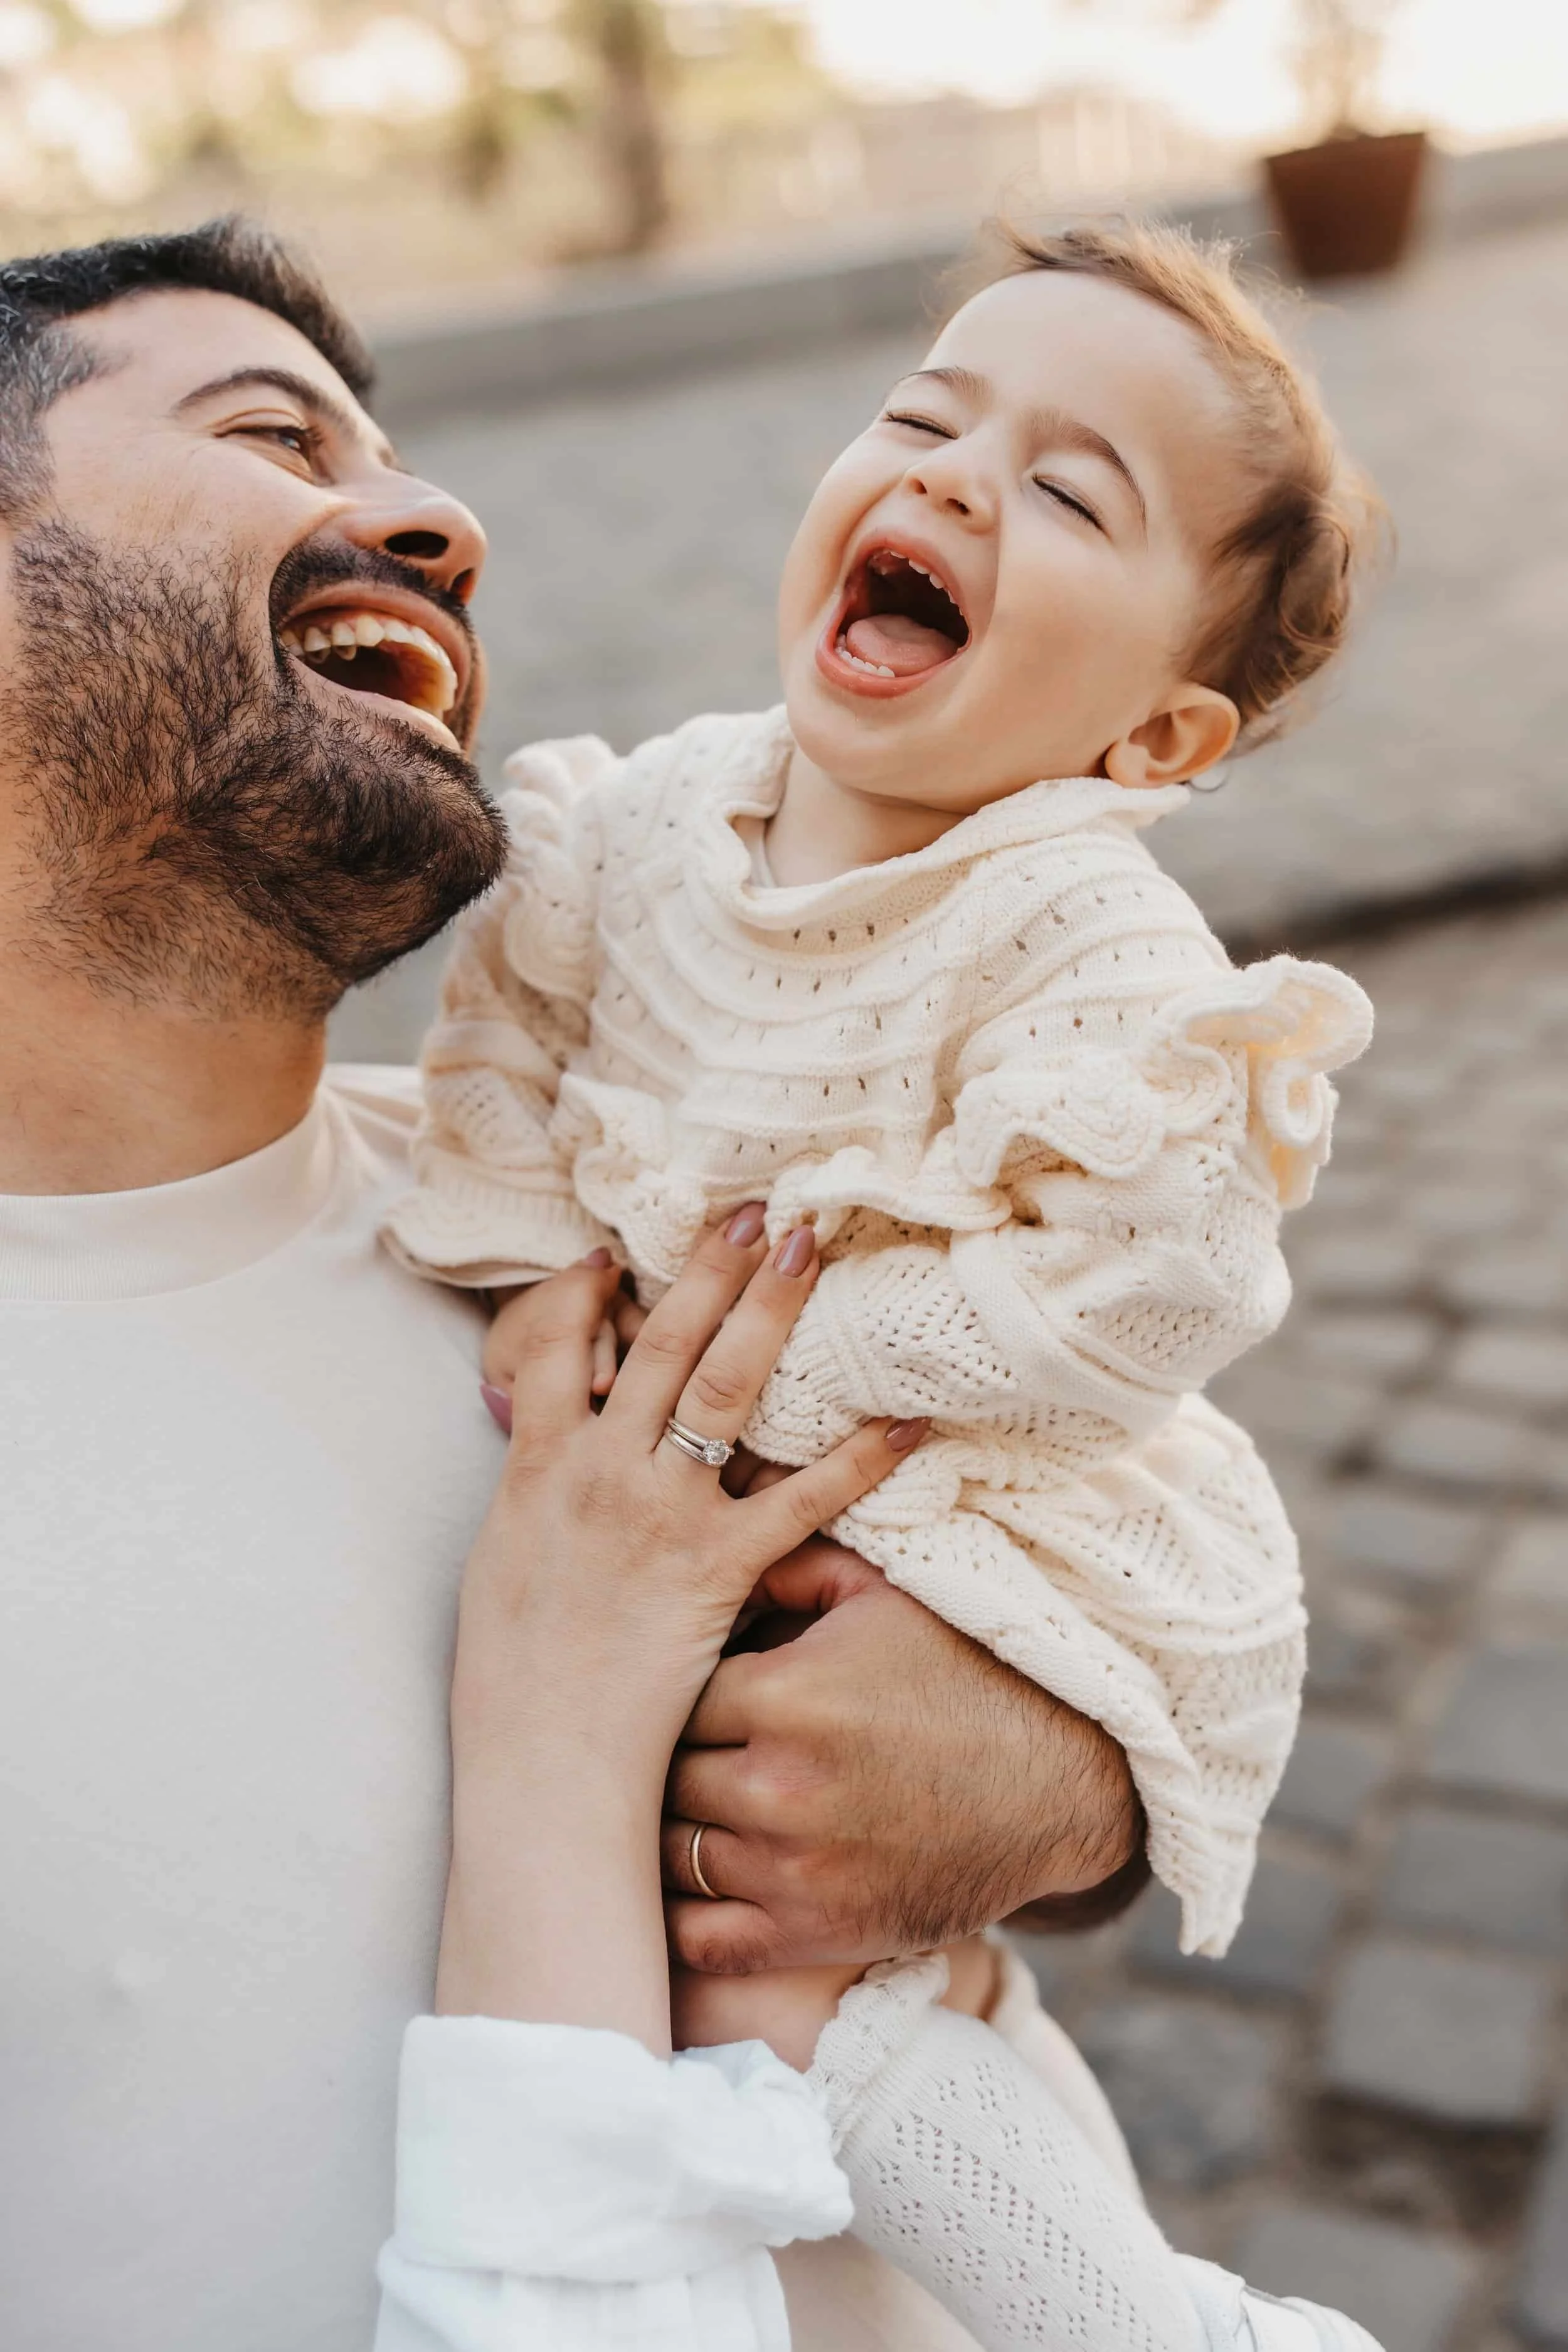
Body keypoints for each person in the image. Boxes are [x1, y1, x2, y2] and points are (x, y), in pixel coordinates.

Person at [0, 218, 1152, 2352]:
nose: (443, 524)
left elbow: (1138, 1585)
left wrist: (1053, 1783)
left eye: (405, 461)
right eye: (270, 434)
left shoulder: (612, 1207)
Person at [386, 216, 1376, 1963]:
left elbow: (1160, 1273)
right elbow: (507, 1015)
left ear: (1156, 738)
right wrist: (536, 1250)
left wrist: (779, 1354)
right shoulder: (657, 809)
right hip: (650, 1511)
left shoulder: (1086, 936)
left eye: (1072, 496)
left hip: (927, 1517)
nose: (965, 482)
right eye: (925, 423)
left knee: (795, 2015)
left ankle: (1124, 2261)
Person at [374, 1232, 1384, 2352]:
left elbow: (1155, 1483)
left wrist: (1066, 1787)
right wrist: (562, 1729)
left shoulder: (529, 1199)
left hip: (965, 2155)